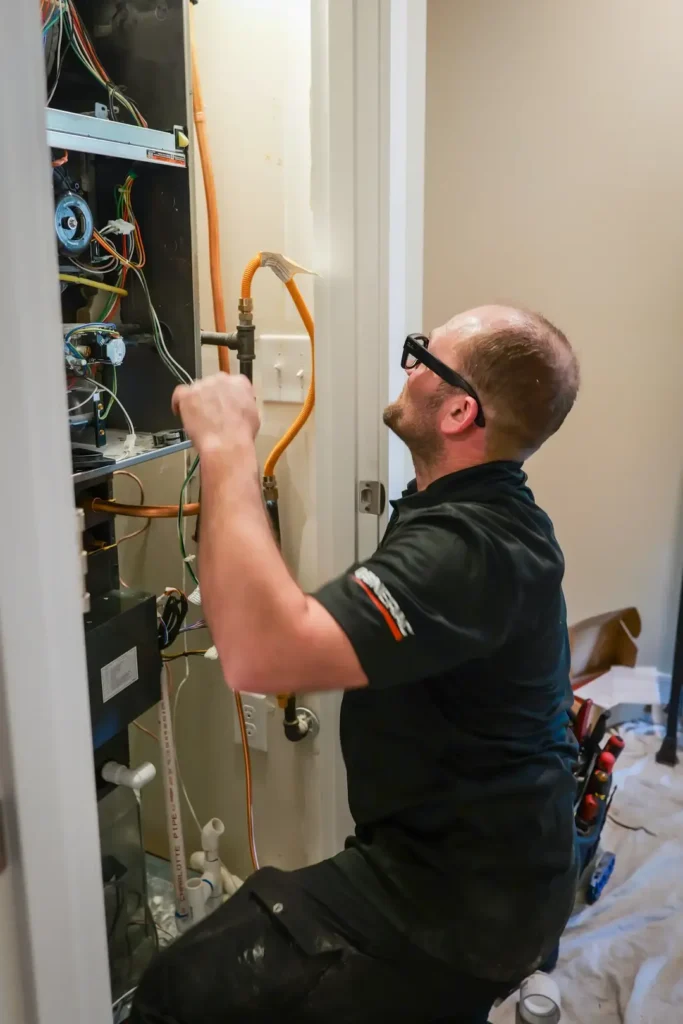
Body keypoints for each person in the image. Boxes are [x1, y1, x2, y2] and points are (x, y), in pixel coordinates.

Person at [131, 305, 580, 1024]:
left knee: (179, 991)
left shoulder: (471, 548)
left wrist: (225, 445)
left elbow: (258, 654)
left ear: (459, 410)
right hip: (458, 855)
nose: (405, 368)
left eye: (419, 357)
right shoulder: (462, 508)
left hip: (462, 898)